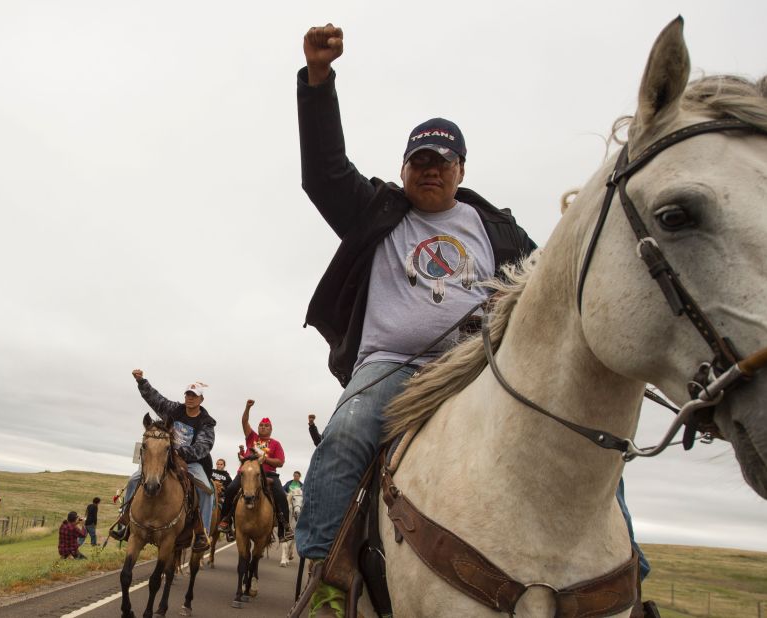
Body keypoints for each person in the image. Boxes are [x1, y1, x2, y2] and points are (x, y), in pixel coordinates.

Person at [294, 23, 539, 614]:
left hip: (480, 370)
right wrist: (319, 79)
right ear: (404, 168)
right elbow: (324, 171)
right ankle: (326, 578)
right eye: (419, 160)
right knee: (347, 432)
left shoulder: (498, 229)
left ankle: (623, 569)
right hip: (391, 367)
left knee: (571, 425)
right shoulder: (377, 210)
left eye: (442, 161)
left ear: (461, 169)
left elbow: (546, 289)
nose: (430, 170)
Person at [109, 370, 217, 552]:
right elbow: (155, 398)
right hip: (163, 457)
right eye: (188, 395)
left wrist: (180, 451)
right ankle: (124, 521)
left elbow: (204, 446)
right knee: (134, 479)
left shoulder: (206, 422)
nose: (190, 398)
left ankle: (202, 534)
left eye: (194, 396)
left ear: (201, 399)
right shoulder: (174, 409)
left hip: (191, 462)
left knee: (207, 490)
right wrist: (141, 381)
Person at [217, 400, 294, 542]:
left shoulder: (276, 444)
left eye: (266, 426)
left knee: (281, 496)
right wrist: (247, 408)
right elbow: (244, 422)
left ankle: (285, 528)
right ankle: (226, 520)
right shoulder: (252, 437)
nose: (263, 427)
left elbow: (280, 462)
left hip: (268, 475)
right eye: (261, 425)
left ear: (271, 429)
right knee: (231, 489)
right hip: (246, 473)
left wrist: (264, 459)